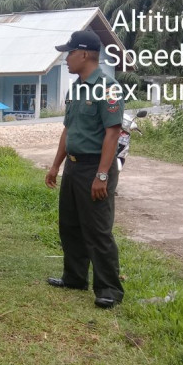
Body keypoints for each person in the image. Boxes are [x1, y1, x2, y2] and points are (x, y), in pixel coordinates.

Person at [44, 30, 125, 308]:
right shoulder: (76, 88)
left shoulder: (109, 87)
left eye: (70, 53)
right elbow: (68, 130)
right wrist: (56, 165)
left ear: (85, 54)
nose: (66, 58)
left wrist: (102, 175)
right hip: (75, 167)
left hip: (95, 167)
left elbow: (113, 133)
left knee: (98, 230)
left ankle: (109, 289)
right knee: (70, 224)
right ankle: (75, 277)